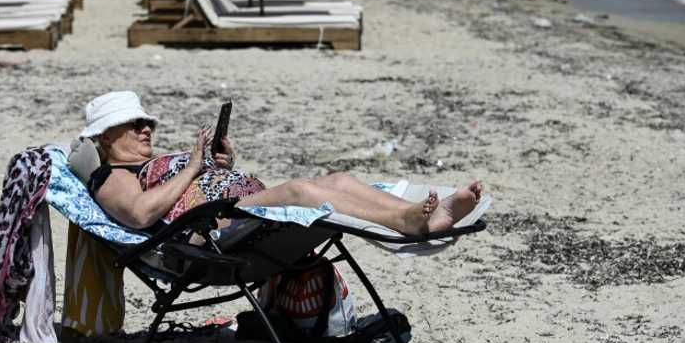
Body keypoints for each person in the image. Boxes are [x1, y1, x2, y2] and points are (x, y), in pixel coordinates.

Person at [80, 91, 483, 234]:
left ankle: (421, 215)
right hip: (208, 230)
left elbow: (193, 185)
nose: (146, 128)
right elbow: (139, 215)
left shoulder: (153, 164)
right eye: (134, 124)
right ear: (103, 136)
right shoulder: (111, 176)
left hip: (233, 206)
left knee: (338, 178)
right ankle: (405, 222)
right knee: (299, 192)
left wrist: (221, 165)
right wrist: (192, 167)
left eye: (146, 121)